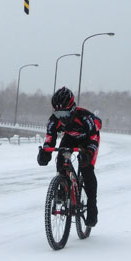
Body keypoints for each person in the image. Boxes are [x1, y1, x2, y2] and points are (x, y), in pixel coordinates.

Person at [37, 86, 102, 227]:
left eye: (65, 114)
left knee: (87, 169)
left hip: (88, 139)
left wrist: (89, 153)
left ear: (73, 109)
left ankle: (92, 206)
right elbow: (50, 138)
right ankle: (63, 187)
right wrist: (45, 152)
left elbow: (94, 139)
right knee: (61, 158)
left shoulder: (85, 118)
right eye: (59, 114)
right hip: (70, 138)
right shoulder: (54, 120)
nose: (62, 118)